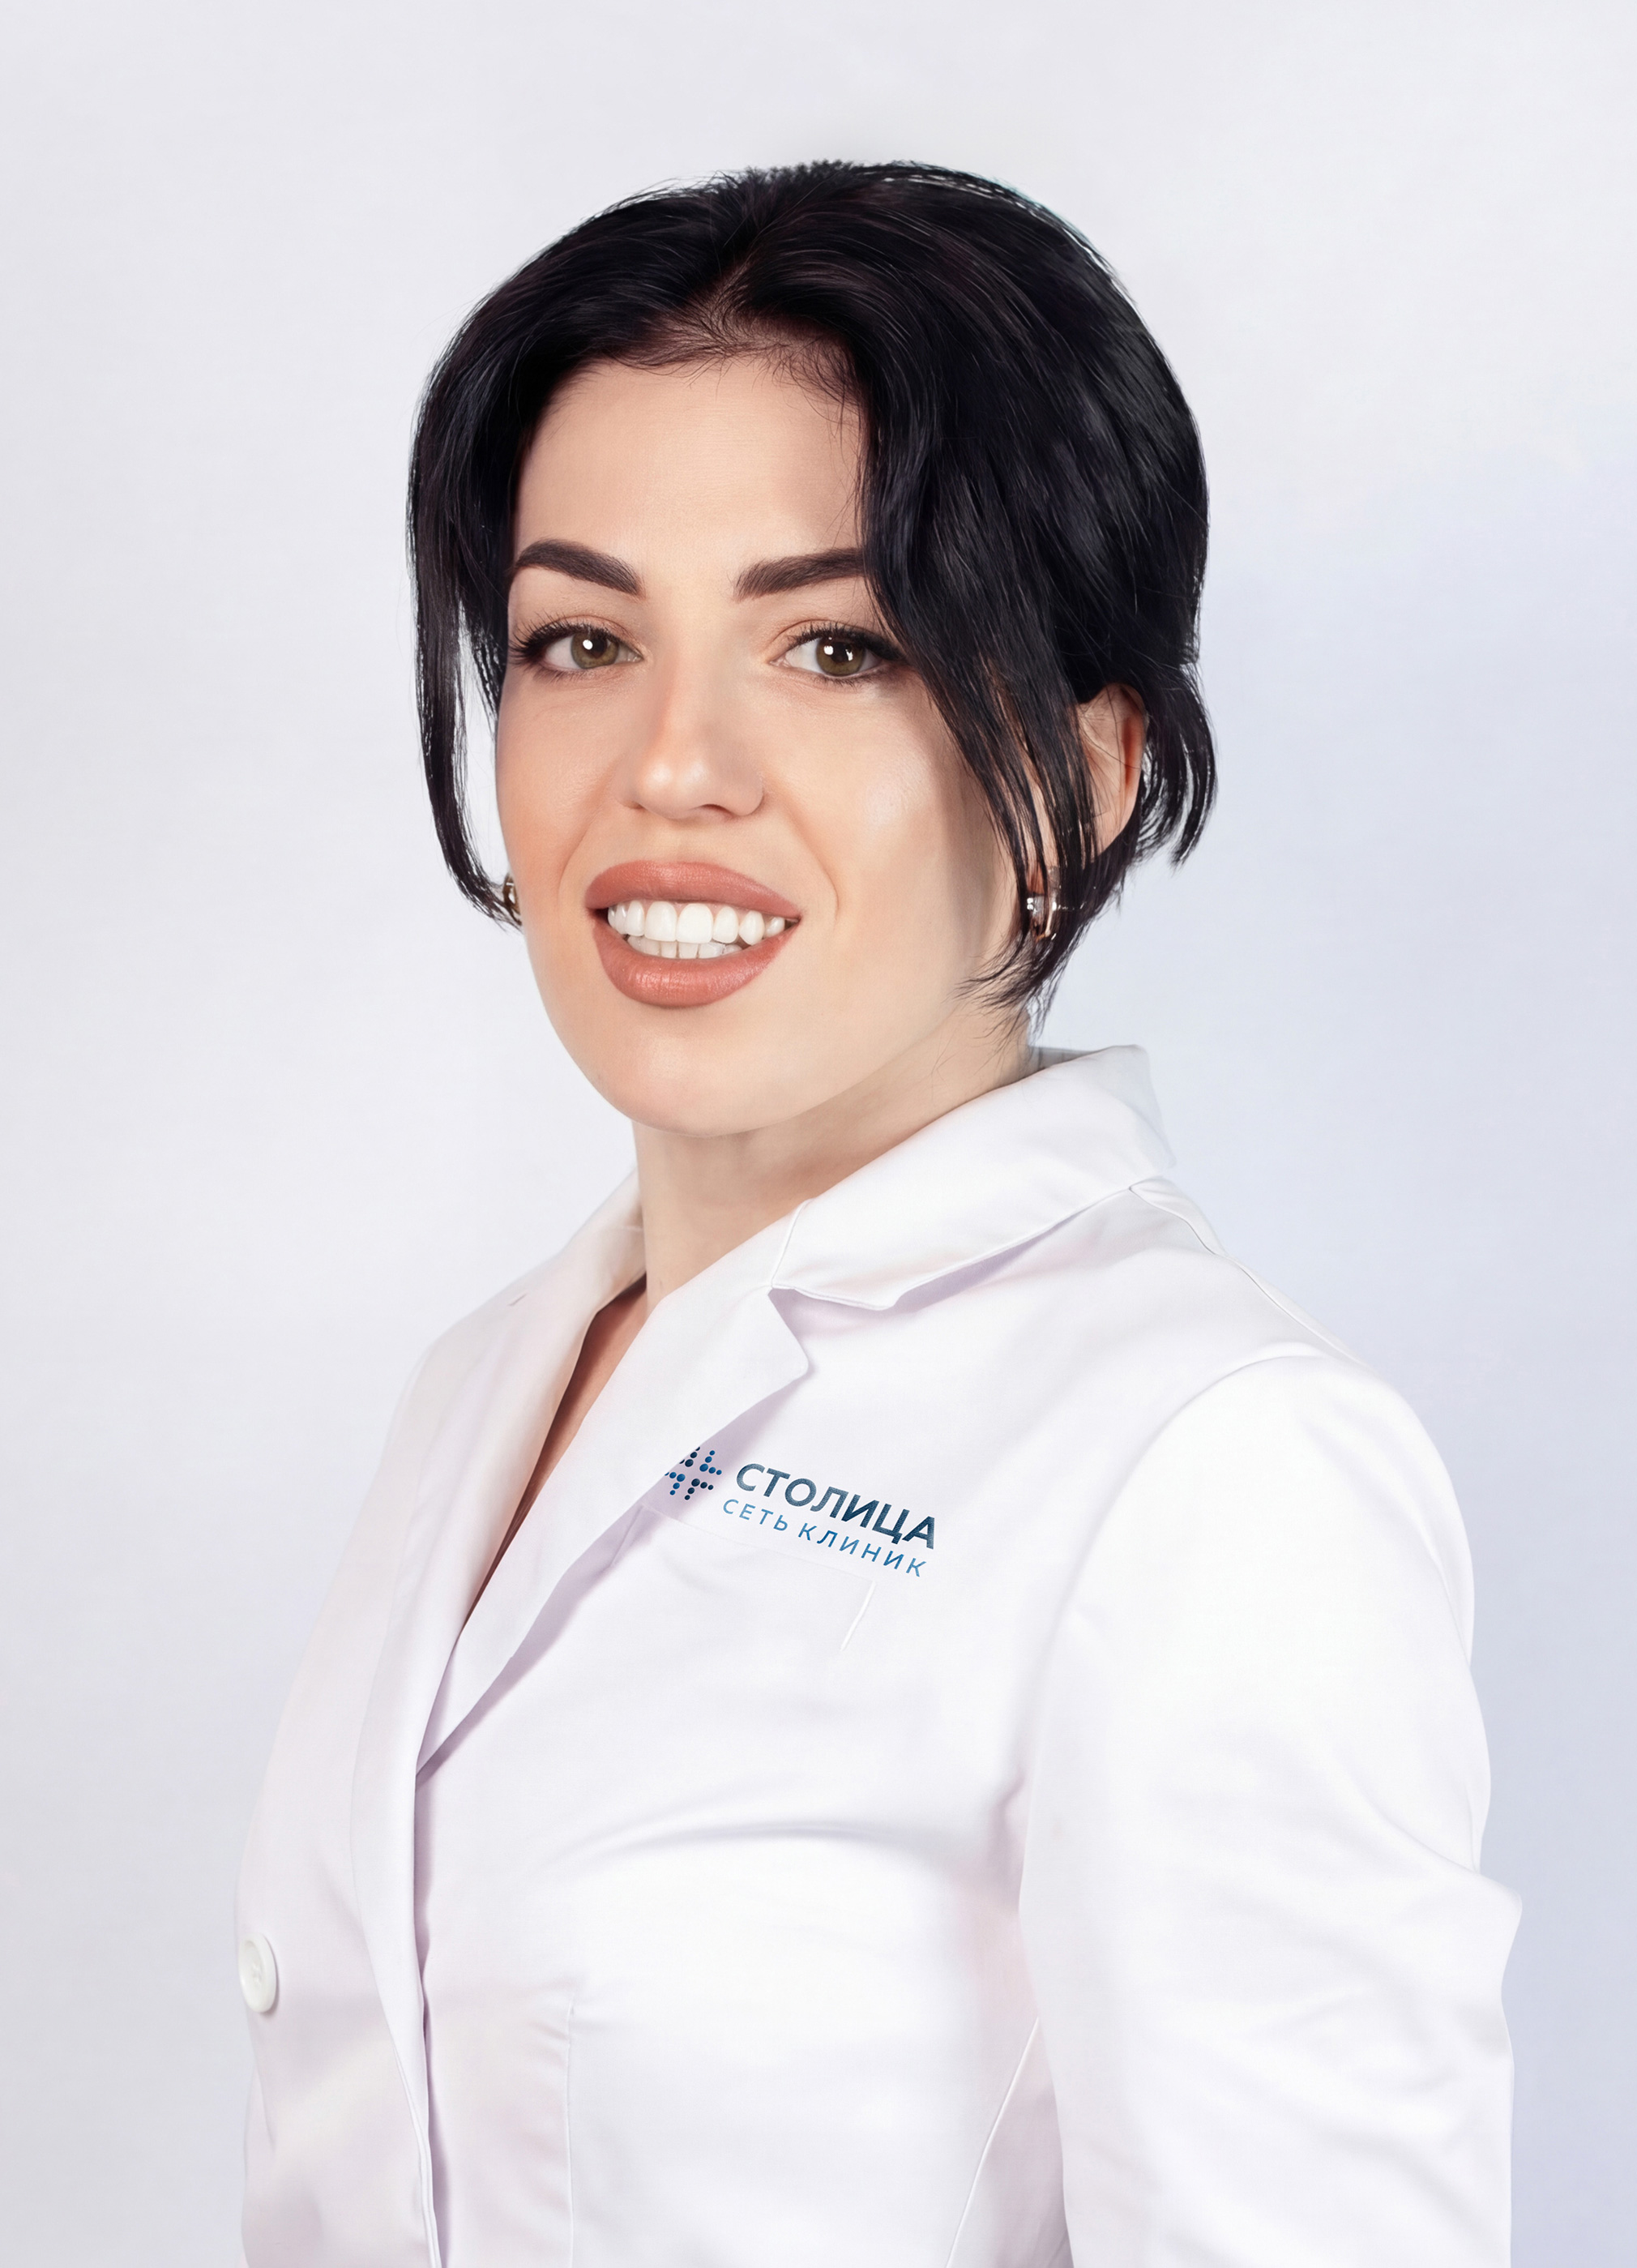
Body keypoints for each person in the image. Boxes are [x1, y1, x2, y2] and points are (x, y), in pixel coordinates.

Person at [235, 162, 1517, 2268]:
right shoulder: (488, 1381)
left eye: (834, 646)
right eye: (579, 640)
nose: (672, 767)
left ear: (1085, 775)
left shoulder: (1209, 1469)